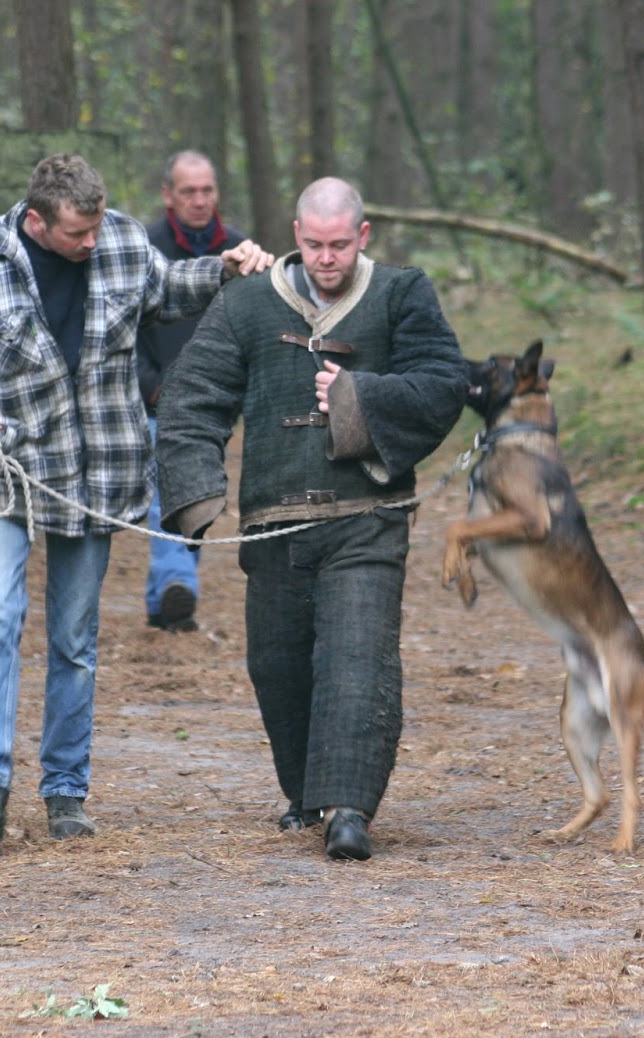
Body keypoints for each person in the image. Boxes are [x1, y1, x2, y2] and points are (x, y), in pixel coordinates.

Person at [0, 153, 272, 843]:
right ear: (36, 220)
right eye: (76, 233)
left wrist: (226, 266)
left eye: (97, 228)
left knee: (73, 638)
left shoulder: (124, 242)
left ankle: (66, 790)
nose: (91, 242)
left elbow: (168, 290)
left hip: (95, 477)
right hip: (4, 476)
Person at [157, 177, 466, 861]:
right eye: (315, 244)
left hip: (368, 516)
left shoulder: (401, 294)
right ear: (297, 235)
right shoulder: (244, 304)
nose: (327, 258)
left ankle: (349, 811)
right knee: (278, 665)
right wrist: (196, 492)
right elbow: (192, 395)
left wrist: (359, 397)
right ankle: (304, 797)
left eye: (340, 245)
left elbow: (445, 383)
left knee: (356, 658)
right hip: (273, 522)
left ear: (362, 237)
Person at [136, 151, 248, 633]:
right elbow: (123, 331)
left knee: (198, 499)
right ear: (168, 195)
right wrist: (151, 386)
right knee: (165, 499)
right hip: (158, 402)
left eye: (207, 190)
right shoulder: (143, 247)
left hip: (216, 406)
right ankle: (179, 583)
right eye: (189, 192)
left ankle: (164, 602)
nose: (200, 201)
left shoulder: (242, 252)